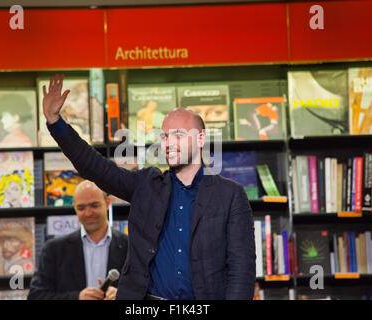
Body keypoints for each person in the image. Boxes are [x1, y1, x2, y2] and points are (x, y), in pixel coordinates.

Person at [42, 74, 255, 300]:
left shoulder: (230, 195)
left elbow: (242, 270)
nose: (168, 143)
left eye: (178, 135)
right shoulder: (146, 185)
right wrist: (56, 123)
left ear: (201, 140)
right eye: (164, 136)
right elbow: (96, 167)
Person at [27, 180, 128, 300]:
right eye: (81, 208)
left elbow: (148, 292)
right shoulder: (54, 249)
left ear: (107, 204)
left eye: (94, 205)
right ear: (74, 208)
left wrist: (125, 296)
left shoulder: (130, 247)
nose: (88, 213)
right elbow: (36, 296)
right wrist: (77, 298)